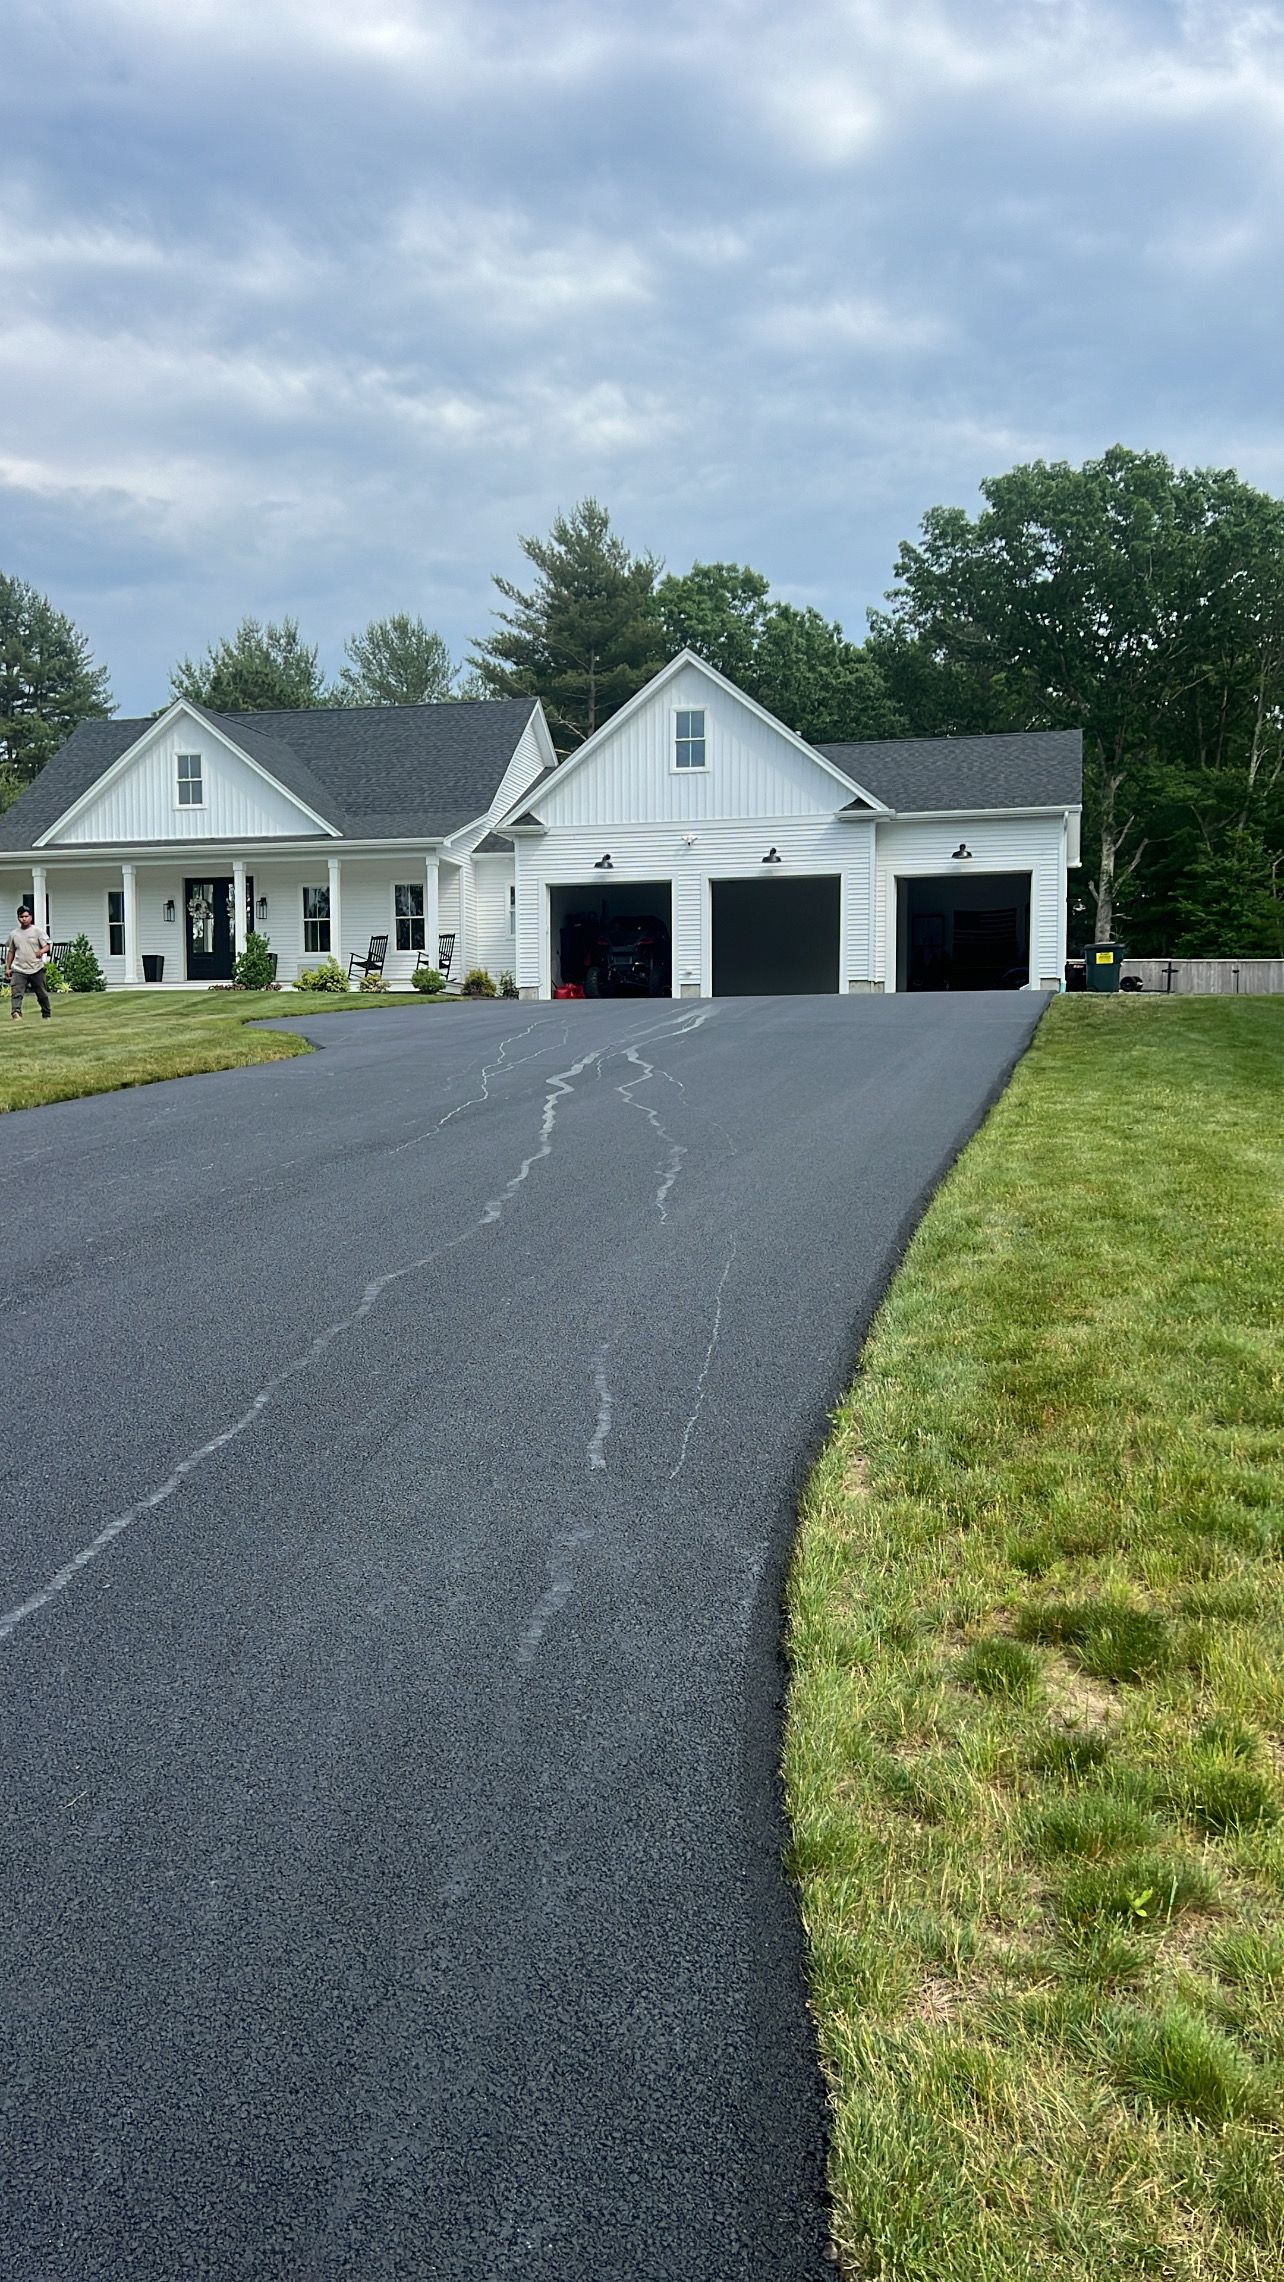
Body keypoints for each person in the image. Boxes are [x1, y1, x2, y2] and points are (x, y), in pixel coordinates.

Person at [6, 904, 53, 1022]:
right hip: (19, 968)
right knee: (16, 992)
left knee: (41, 993)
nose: (24, 919)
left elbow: (47, 946)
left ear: (30, 917)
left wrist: (41, 951)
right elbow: (11, 951)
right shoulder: (14, 934)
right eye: (21, 917)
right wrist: (8, 968)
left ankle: (46, 1014)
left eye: (26, 916)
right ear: (18, 918)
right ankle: (16, 1013)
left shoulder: (37, 931)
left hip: (36, 968)